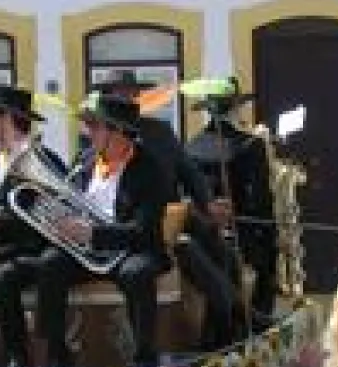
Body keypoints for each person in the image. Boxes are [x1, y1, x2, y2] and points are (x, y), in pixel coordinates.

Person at [95, 69, 239, 349]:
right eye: (120, 93)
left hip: (174, 215)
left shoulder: (159, 131)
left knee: (221, 251)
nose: (129, 98)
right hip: (134, 226)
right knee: (189, 250)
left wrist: (207, 202)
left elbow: (189, 172)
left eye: (132, 93)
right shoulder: (98, 139)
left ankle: (223, 326)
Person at [35, 94, 173, 367]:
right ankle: (57, 355)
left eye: (95, 126)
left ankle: (144, 358)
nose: (89, 132)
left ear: (118, 132)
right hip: (90, 251)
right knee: (49, 263)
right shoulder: (86, 161)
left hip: (132, 249)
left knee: (137, 273)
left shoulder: (150, 169)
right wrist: (61, 222)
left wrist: (93, 234)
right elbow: (68, 199)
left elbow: (142, 230)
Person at [0, 84, 68, 367]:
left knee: (0, 280)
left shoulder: (40, 159)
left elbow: (51, 214)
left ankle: (23, 356)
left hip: (35, 251)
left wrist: (1, 220)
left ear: (7, 120)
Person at [186, 77, 278, 332]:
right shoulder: (250, 145)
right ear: (235, 109)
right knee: (268, 262)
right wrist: (271, 237)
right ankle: (259, 326)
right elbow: (260, 201)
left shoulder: (190, 147)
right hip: (242, 233)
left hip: (202, 235)